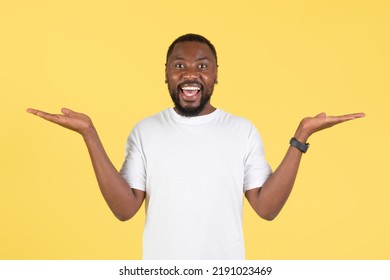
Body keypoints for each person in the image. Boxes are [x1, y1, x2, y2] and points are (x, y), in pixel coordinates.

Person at [27, 33, 365, 260]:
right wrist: (89, 134)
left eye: (202, 66)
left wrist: (301, 136)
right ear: (166, 74)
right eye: (180, 66)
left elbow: (266, 208)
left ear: (216, 74)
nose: (190, 74)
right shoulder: (146, 131)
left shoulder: (241, 130)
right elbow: (125, 209)